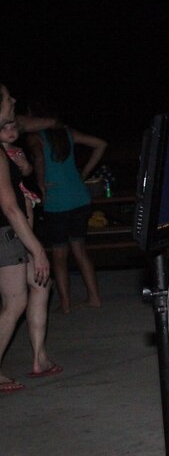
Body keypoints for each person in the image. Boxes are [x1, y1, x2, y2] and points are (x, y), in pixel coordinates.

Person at [0, 84, 57, 393]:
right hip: (8, 234)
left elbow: (30, 124)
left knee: (39, 285)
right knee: (14, 301)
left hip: (18, 233)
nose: (14, 102)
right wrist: (38, 249)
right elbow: (9, 206)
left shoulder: (13, 148)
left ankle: (39, 357)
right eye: (8, 100)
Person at [26, 108, 107, 314]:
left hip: (58, 201)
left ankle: (66, 304)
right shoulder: (67, 133)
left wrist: (41, 184)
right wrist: (84, 172)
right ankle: (94, 298)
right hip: (80, 197)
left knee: (59, 256)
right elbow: (101, 144)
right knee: (79, 250)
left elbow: (38, 159)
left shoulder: (35, 137)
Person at [1, 120, 42, 224]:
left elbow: (26, 173)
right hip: (4, 189)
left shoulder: (18, 150)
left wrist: (26, 165)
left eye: (14, 127)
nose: (10, 131)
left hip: (17, 187)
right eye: (4, 128)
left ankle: (27, 232)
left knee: (27, 202)